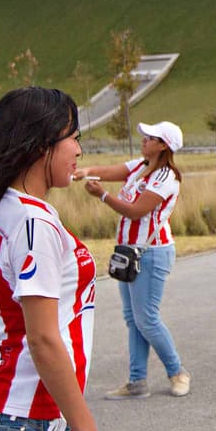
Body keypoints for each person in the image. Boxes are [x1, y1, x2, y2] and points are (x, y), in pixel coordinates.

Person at [0, 87, 108, 431]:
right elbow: (42, 338)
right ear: (42, 145)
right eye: (73, 138)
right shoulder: (33, 225)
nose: (79, 150)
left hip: (4, 408)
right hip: (26, 417)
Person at [74, 122, 191, 399]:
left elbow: (137, 211)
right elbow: (112, 171)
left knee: (146, 318)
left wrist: (102, 195)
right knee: (133, 318)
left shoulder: (166, 177)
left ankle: (178, 372)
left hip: (151, 252)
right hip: (129, 251)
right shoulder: (141, 166)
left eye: (149, 138)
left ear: (163, 145)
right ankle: (137, 381)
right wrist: (87, 171)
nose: (143, 140)